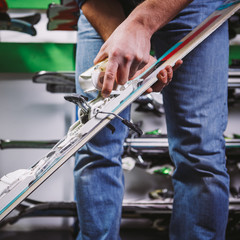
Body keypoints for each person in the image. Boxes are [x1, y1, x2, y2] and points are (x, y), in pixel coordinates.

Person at [74, 0, 230, 239]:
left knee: (200, 150)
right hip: (106, 6)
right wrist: (122, 44)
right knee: (96, 142)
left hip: (193, 6)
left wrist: (141, 24)